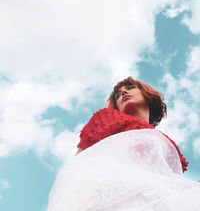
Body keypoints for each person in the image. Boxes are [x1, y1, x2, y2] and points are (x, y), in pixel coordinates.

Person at [47, 77, 200, 211]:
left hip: (154, 193)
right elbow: (80, 161)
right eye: (118, 95)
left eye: (131, 88)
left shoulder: (166, 142)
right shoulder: (107, 117)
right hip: (111, 191)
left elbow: (169, 179)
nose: (123, 93)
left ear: (147, 94)